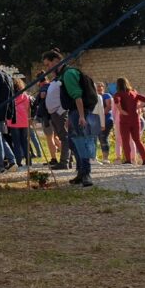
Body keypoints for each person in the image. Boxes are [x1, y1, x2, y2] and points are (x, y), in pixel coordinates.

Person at [43, 50, 96, 187]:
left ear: (56, 61)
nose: (48, 68)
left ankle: (86, 174)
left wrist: (82, 116)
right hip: (74, 112)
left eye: (48, 65)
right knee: (73, 143)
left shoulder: (68, 74)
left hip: (80, 111)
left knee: (81, 142)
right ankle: (80, 172)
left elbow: (77, 96)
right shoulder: (63, 75)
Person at [114, 78, 145, 165]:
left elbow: (116, 100)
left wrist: (121, 110)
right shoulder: (134, 93)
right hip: (135, 119)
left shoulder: (118, 94)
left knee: (125, 140)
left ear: (118, 85)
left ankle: (128, 160)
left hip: (124, 120)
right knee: (137, 140)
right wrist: (138, 107)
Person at [6, 79, 31, 167]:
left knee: (16, 143)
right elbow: (28, 109)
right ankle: (29, 161)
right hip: (24, 121)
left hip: (14, 122)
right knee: (25, 141)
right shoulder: (26, 96)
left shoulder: (10, 97)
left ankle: (19, 161)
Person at [96, 82, 115, 164]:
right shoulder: (95, 97)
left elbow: (108, 106)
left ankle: (105, 158)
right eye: (98, 87)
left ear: (103, 88)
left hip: (107, 119)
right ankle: (97, 157)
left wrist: (101, 114)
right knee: (98, 138)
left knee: (103, 137)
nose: (99, 89)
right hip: (98, 120)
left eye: (101, 87)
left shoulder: (107, 95)